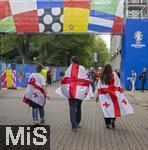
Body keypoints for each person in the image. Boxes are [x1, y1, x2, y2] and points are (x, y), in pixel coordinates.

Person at [56, 56, 92, 132]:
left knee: (72, 108)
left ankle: (74, 126)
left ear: (72, 61)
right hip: (80, 91)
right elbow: (86, 79)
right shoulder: (82, 68)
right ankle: (78, 122)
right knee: (78, 106)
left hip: (71, 91)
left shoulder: (69, 68)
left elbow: (66, 78)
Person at [96, 64, 134, 129]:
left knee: (106, 109)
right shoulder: (114, 74)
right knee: (114, 107)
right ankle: (113, 120)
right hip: (113, 94)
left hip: (104, 95)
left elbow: (99, 86)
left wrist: (97, 95)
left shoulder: (101, 75)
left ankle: (107, 124)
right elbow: (118, 83)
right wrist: (120, 92)